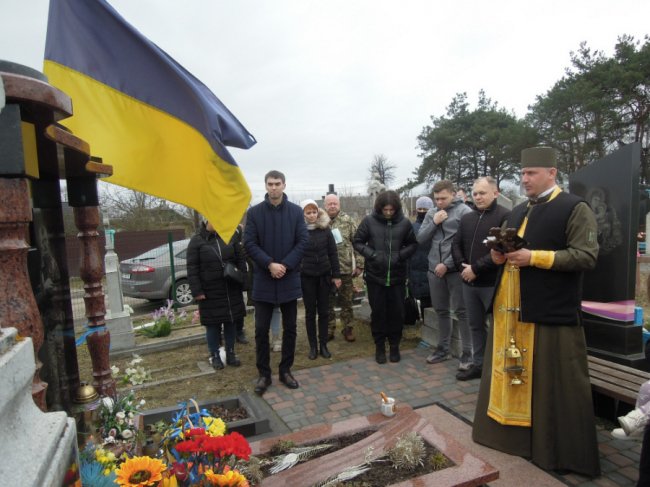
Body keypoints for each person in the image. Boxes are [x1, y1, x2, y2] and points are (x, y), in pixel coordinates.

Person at [472, 146, 601, 477]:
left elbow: (586, 257)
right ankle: (506, 437)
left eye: (531, 173)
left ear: (552, 173)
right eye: (523, 173)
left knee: (550, 383)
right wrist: (500, 256)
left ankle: (552, 450)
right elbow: (510, 250)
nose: (525, 179)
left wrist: (536, 257)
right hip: (509, 314)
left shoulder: (574, 208)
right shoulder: (516, 212)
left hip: (549, 313)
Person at [244, 170, 308, 395]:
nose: (273, 188)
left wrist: (286, 265)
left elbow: (302, 241)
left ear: (284, 185)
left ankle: (285, 370)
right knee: (261, 330)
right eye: (270, 184)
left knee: (290, 328)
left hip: (289, 278)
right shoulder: (254, 213)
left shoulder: (295, 212)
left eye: (277, 184)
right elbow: (249, 243)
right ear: (265, 186)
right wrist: (270, 264)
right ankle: (264, 374)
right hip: (264, 279)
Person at [451, 177, 510, 381]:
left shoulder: (504, 216)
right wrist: (462, 268)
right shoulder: (467, 217)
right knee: (475, 325)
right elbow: (455, 244)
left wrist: (475, 268)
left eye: (482, 193)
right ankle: (479, 365)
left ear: (495, 193)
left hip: (491, 283)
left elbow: (500, 251)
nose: (477, 197)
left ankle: (499, 369)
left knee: (498, 328)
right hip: (469, 282)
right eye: (475, 193)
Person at [353, 190, 417, 364]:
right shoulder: (369, 221)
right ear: (379, 208)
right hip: (375, 277)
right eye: (385, 209)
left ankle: (394, 345)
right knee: (379, 313)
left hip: (396, 276)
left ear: (396, 209)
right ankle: (380, 346)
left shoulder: (404, 223)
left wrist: (400, 255)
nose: (388, 213)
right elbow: (357, 241)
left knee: (397, 313)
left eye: (391, 210)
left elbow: (412, 244)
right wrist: (372, 255)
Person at [417, 180, 473, 370]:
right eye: (436, 198)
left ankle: (468, 354)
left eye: (443, 198)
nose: (439, 202)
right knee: (441, 310)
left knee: (462, 311)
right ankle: (443, 349)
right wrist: (434, 222)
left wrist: (447, 265)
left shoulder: (464, 212)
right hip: (434, 270)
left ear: (453, 194)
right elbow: (421, 239)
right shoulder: (432, 213)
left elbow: (466, 243)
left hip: (455, 270)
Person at [187, 220, 246, 370]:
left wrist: (241, 280)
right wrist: (197, 291)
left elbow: (240, 260)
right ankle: (215, 355)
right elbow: (192, 268)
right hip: (209, 291)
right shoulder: (197, 240)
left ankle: (231, 353)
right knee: (212, 325)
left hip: (230, 289)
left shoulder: (230, 235)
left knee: (231, 322)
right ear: (206, 220)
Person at [299, 199, 341, 359]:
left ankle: (323, 344)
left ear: (318, 212)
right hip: (307, 277)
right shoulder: (299, 231)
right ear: (303, 214)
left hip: (324, 276)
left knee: (324, 312)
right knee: (310, 313)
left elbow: (333, 253)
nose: (312, 215)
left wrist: (336, 275)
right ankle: (313, 346)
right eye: (308, 212)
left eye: (314, 212)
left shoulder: (325, 230)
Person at [323, 193, 364, 342]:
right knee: (327, 302)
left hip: (344, 269)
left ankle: (348, 329)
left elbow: (358, 243)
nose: (332, 206)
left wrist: (359, 264)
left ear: (339, 204)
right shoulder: (320, 221)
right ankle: (329, 329)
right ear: (325, 205)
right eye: (329, 203)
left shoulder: (348, 221)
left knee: (346, 302)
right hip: (325, 270)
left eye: (335, 203)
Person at [409, 196, 434, 319]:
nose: (423, 211)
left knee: (434, 299)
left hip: (432, 266)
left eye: (426, 209)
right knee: (424, 300)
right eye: (420, 208)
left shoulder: (437, 226)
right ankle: (426, 323)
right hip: (416, 267)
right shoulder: (412, 228)